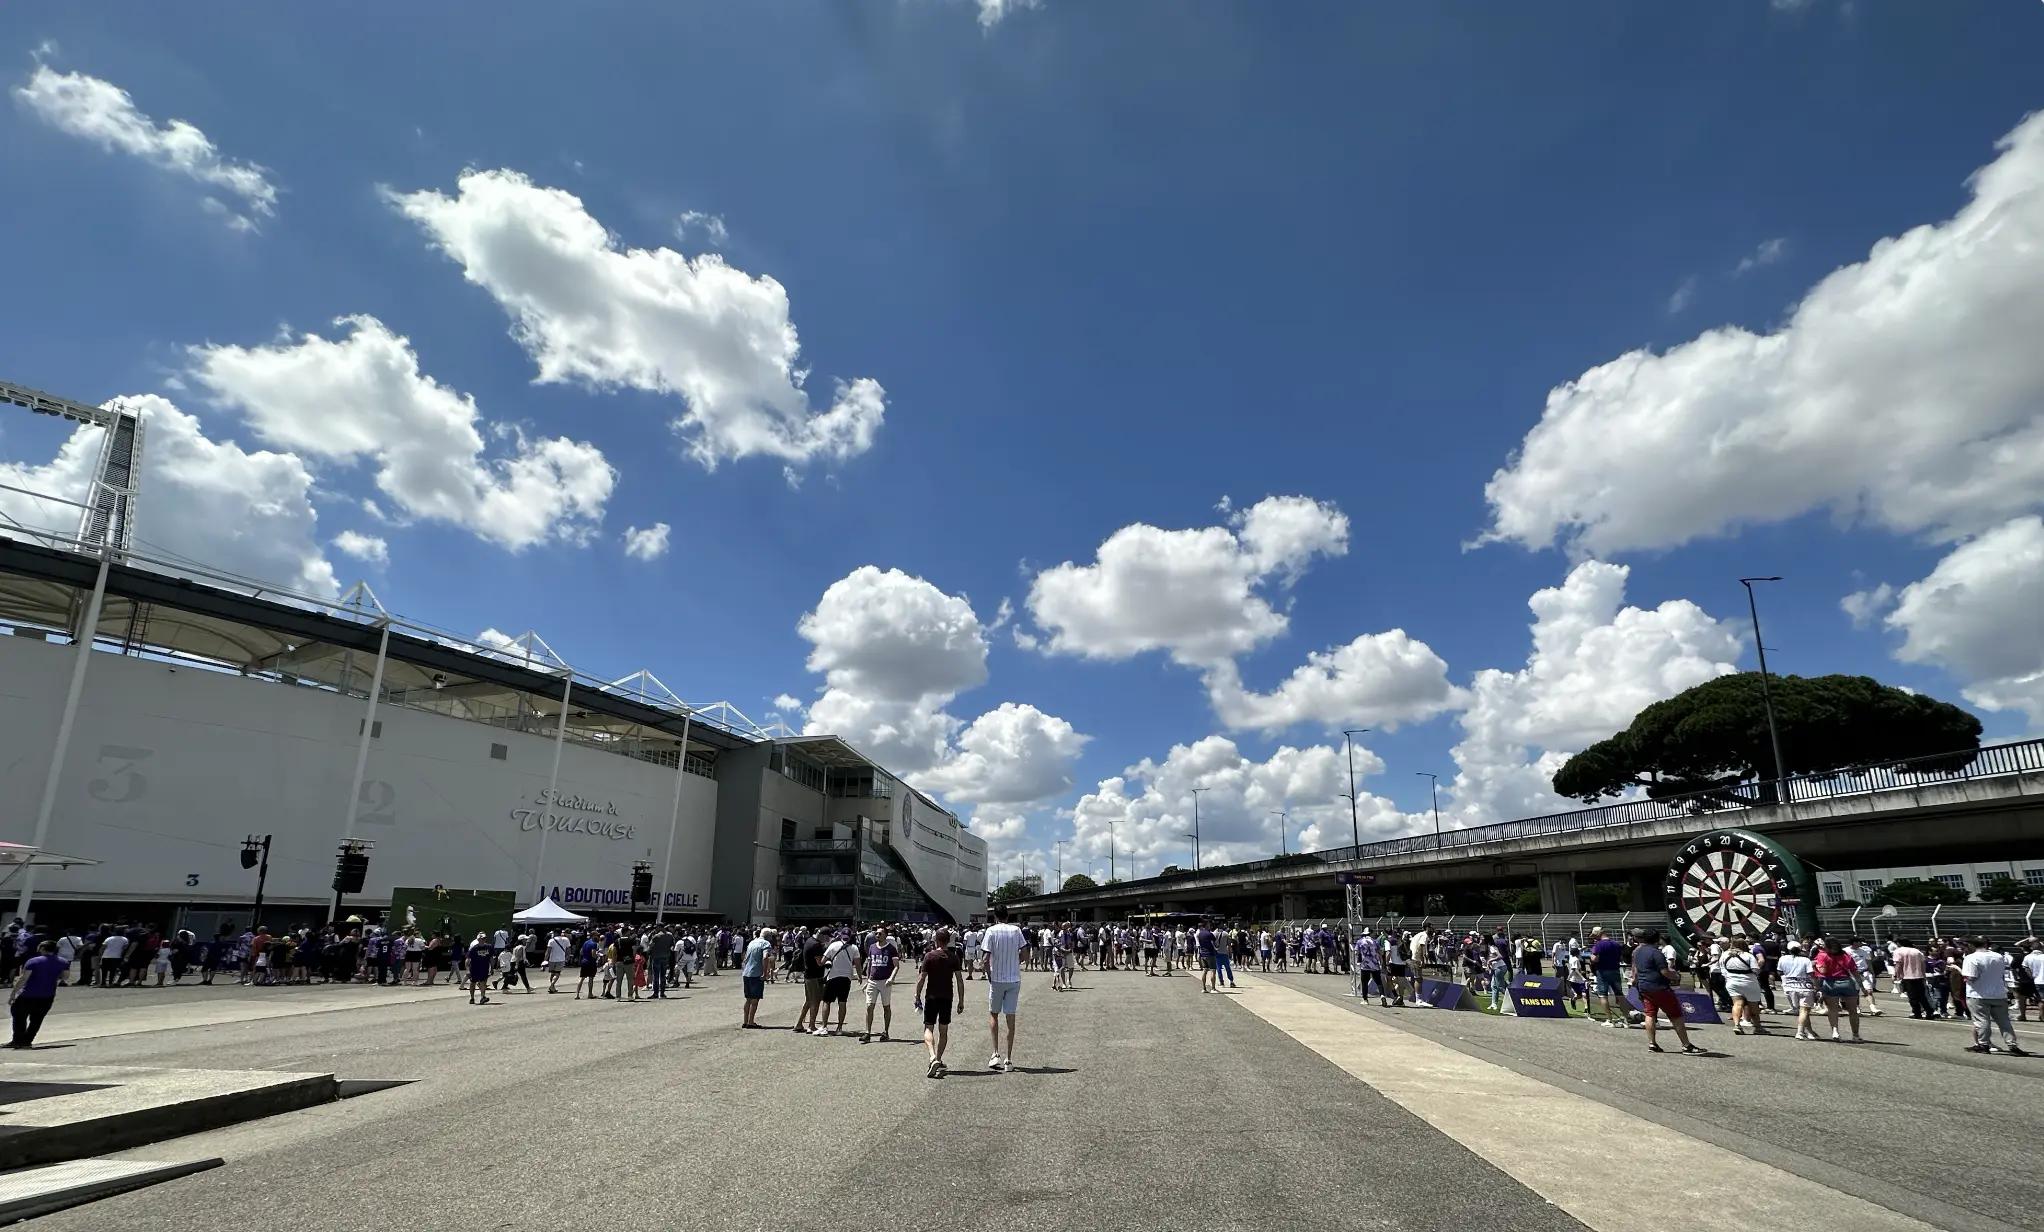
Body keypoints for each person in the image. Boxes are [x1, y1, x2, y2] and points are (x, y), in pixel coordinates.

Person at [1631, 929, 1700, 1054]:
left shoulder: (1637, 952)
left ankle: (1652, 1043)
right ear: (1657, 939)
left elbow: (1635, 970)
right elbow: (1665, 972)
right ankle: (1686, 1045)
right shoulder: (1656, 953)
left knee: (1650, 1014)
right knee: (1676, 1015)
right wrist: (1676, 976)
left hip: (1644, 986)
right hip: (1659, 987)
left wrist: (1635, 982)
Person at [1960, 935, 2027, 1056]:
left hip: (1978, 994)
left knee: (1982, 1021)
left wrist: (1961, 974)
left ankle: (1983, 1044)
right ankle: (2012, 1045)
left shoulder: (1971, 958)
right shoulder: (1998, 956)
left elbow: (1971, 977)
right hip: (1999, 993)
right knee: (2004, 1022)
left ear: (1972, 945)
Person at [980, 905, 1025, 1072]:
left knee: (994, 1014)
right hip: (1013, 978)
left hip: (997, 978)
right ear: (1008, 915)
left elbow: (985, 959)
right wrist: (1016, 962)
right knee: (1010, 1016)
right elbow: (1025, 952)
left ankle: (995, 1052)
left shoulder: (991, 931)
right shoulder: (1016, 930)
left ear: (995, 916)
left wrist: (990, 976)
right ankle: (1009, 1059)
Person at [916, 926, 964, 1078]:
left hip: (931, 996)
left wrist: (917, 995)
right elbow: (959, 980)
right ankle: (938, 1058)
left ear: (935, 940)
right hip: (947, 997)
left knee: (928, 1027)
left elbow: (922, 978)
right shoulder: (953, 957)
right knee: (943, 1030)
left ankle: (932, 1056)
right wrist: (961, 1000)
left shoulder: (929, 956)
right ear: (949, 940)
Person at [9, 941, 66, 1050]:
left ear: (43, 948)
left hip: (28, 994)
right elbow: (65, 977)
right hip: (48, 994)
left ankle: (17, 1040)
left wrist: (13, 993)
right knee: (37, 1019)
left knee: (19, 1016)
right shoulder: (62, 962)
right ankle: (27, 1041)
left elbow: (23, 978)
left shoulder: (33, 961)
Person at [1813, 938, 1864, 1043]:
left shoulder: (1822, 955)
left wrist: (1815, 966)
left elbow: (1823, 971)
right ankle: (1855, 1035)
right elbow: (1855, 972)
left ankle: (1835, 1031)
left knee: (1833, 1009)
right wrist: (1862, 987)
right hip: (1846, 982)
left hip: (1830, 983)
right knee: (1853, 1011)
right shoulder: (1846, 955)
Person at [1718, 933, 1765, 1035]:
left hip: (1732, 982)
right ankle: (1758, 1027)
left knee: (1737, 1003)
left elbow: (1722, 969)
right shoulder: (1748, 956)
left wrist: (1728, 976)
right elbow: (1755, 969)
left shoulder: (1725, 955)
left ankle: (1737, 1025)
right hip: (1749, 982)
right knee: (1753, 1006)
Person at [861, 926, 901, 1043]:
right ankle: (867, 1032)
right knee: (869, 1006)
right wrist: (867, 980)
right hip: (873, 981)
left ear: (885, 935)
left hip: (885, 982)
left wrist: (891, 978)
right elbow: (870, 964)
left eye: (879, 934)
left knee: (886, 1007)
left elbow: (896, 965)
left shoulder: (891, 949)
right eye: (876, 934)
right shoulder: (872, 947)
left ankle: (885, 1031)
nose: (877, 935)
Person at [1777, 940, 1819, 1040]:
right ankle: (1800, 1032)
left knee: (1802, 1011)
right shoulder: (1805, 960)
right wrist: (1816, 986)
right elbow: (1811, 974)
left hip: (1789, 987)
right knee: (1804, 1010)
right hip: (1804, 986)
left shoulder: (1782, 959)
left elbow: (1779, 972)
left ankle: (1810, 1032)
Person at [820, 930, 858, 1035]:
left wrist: (829, 962)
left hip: (832, 976)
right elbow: (858, 963)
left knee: (826, 1001)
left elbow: (823, 961)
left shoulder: (833, 945)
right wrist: (859, 975)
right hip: (846, 977)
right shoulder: (854, 948)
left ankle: (824, 1026)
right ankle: (839, 1028)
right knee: (842, 1002)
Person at [740, 928, 776, 1028]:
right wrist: (764, 974)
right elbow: (765, 957)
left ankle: (745, 1021)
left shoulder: (752, 942)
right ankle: (751, 1022)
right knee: (755, 1000)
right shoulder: (766, 944)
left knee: (748, 999)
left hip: (747, 972)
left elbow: (746, 957)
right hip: (756, 973)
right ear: (768, 936)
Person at [1891, 939, 1930, 1019]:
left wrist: (1895, 975)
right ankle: (1929, 1012)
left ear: (1899, 943)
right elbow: (1923, 964)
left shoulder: (1898, 951)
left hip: (1907, 976)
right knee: (1922, 996)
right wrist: (1923, 975)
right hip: (1919, 976)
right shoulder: (1917, 951)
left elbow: (1898, 964)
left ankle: (1917, 1013)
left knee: (1912, 996)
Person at [465, 933, 494, 1006]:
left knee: (483, 982)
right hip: (474, 968)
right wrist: (467, 970)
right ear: (478, 939)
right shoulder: (474, 948)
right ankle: (472, 998)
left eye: (485, 938)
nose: (484, 940)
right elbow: (467, 960)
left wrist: (492, 968)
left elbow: (491, 958)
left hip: (484, 967)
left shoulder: (489, 947)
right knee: (473, 983)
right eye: (482, 938)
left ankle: (482, 997)